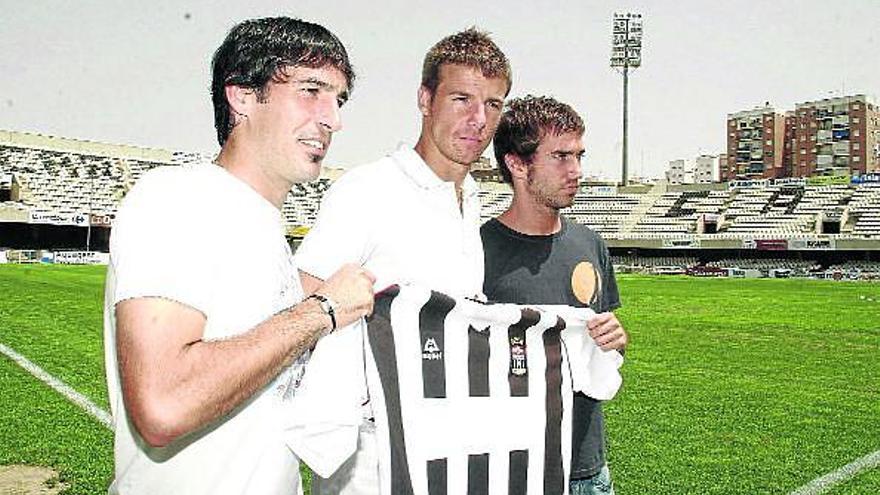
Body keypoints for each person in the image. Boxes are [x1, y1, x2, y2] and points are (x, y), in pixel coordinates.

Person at [102, 17, 375, 495]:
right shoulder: (179, 198)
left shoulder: (266, 226)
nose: (333, 119)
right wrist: (322, 311)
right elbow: (164, 404)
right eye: (312, 90)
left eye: (339, 99)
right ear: (243, 95)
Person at [294, 27, 511, 494]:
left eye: (493, 104)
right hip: (371, 458)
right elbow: (304, 304)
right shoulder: (368, 189)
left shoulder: (471, 197)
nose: (479, 119)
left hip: (448, 445)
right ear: (425, 99)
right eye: (461, 99)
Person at [481, 95, 628, 495]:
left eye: (579, 155)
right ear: (517, 164)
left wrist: (617, 340)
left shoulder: (590, 244)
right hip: (510, 471)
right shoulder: (475, 252)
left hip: (586, 472)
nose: (576, 170)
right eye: (561, 156)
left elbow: (606, 346)